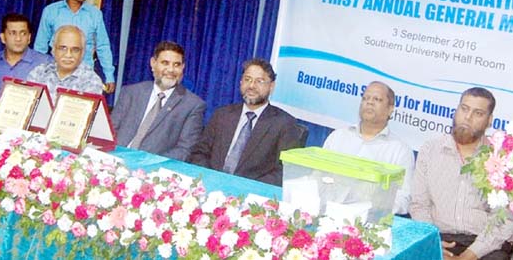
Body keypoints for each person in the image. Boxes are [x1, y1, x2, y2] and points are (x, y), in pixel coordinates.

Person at [410, 87, 513, 260]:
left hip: (484, 246)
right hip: (439, 238)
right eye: (464, 109)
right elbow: (419, 205)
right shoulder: (430, 150)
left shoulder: (503, 160)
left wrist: (470, 255)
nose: (467, 117)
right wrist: (433, 242)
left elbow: (507, 221)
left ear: (489, 121)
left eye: (478, 113)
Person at [189, 58, 301, 186]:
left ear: (271, 86)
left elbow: (285, 170)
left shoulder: (284, 124)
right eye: (247, 79)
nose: (252, 86)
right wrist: (210, 178)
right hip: (210, 185)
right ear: (241, 82)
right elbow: (199, 152)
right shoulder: (222, 115)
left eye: (260, 81)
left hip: (251, 194)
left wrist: (246, 187)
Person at [323, 81, 414, 215]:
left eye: (377, 99)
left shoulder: (400, 150)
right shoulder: (337, 137)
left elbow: (404, 198)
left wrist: (376, 209)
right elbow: (319, 178)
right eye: (365, 98)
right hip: (328, 212)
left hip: (370, 221)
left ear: (390, 109)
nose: (369, 102)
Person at [111, 41, 205, 161]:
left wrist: (147, 162)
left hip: (152, 169)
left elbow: (185, 150)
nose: (171, 69)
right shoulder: (130, 92)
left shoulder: (193, 105)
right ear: (153, 63)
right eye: (165, 63)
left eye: (176, 65)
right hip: (114, 159)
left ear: (183, 67)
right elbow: (111, 131)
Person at [33, 0, 115, 93]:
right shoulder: (51, 11)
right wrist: (37, 73)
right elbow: (40, 46)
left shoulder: (95, 14)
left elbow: (103, 46)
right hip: (54, 75)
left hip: (84, 77)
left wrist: (109, 75)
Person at [0, 13, 52, 110]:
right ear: (3, 38)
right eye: (12, 33)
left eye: (23, 33)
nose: (18, 39)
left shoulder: (45, 63)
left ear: (29, 38)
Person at [27, 25, 103, 101]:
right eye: (63, 48)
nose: (68, 55)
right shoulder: (38, 72)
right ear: (53, 49)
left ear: (83, 53)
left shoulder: (92, 81)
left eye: (75, 49)